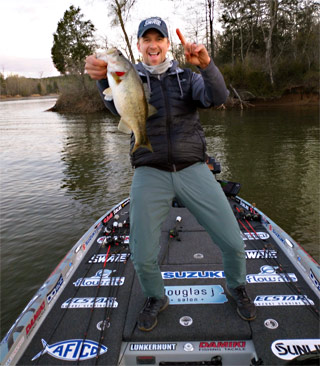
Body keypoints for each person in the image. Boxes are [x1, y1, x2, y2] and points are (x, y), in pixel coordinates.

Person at [85, 16, 256, 332]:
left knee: (233, 241)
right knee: (141, 250)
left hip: (193, 168)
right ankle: (155, 296)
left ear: (167, 44)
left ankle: (237, 286)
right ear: (139, 46)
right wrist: (101, 79)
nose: (153, 45)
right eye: (146, 39)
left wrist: (206, 66)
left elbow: (217, 98)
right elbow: (114, 106)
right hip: (150, 169)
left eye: (158, 39)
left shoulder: (187, 79)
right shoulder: (128, 75)